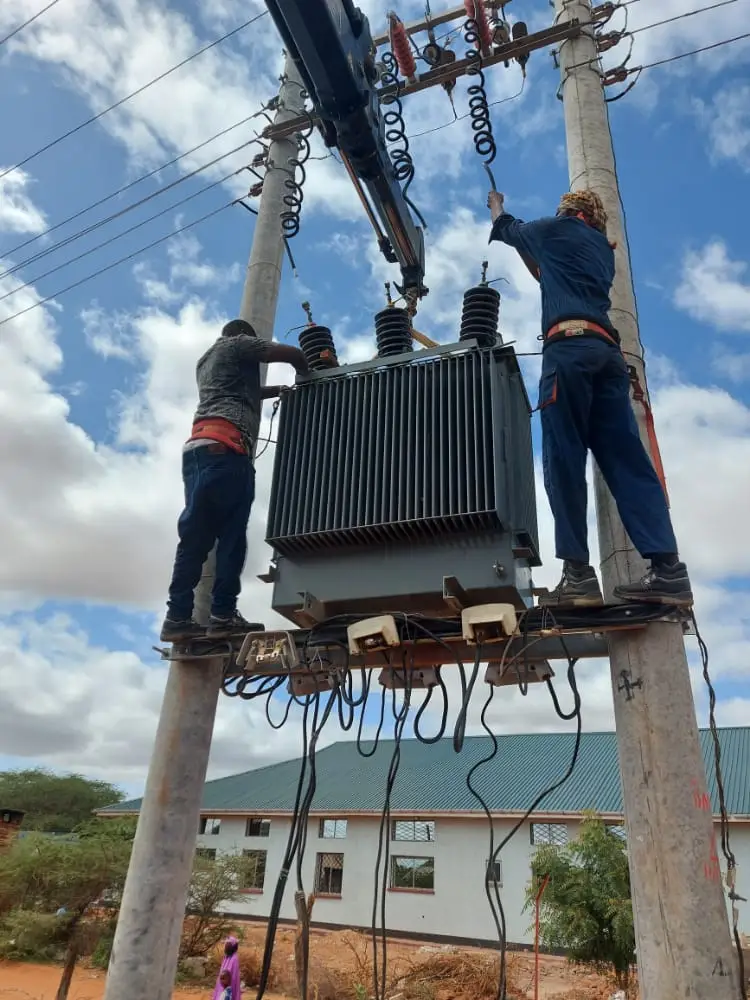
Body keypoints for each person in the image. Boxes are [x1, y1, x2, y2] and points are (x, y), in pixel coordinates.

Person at [487, 188, 693, 608]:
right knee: (628, 463)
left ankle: (578, 575)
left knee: (564, 462)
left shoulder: (556, 229)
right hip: (607, 358)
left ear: (568, 211)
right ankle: (669, 570)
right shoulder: (602, 251)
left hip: (570, 353)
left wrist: (497, 208)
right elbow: (547, 272)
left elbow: (509, 231)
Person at [160, 319, 309, 642]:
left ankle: (177, 618)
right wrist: (308, 373)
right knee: (231, 539)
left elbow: (242, 393)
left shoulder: (206, 361)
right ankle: (223, 615)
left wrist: (276, 392)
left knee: (194, 541)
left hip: (197, 451)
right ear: (242, 337)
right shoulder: (237, 344)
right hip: (227, 452)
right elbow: (291, 353)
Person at [212, 936, 241, 1000]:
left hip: (229, 983)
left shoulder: (234, 958)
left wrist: (225, 981)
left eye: (226, 945)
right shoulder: (226, 957)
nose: (225, 946)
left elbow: (232, 975)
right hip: (223, 981)